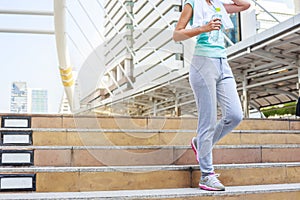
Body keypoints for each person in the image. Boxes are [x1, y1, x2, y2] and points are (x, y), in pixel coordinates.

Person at [173, 0, 250, 191]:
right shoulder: (192, 4)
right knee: (207, 121)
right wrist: (203, 28)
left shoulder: (218, 5)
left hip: (223, 63)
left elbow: (244, 5)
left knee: (235, 115)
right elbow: (177, 34)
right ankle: (207, 175)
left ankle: (200, 143)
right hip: (203, 63)